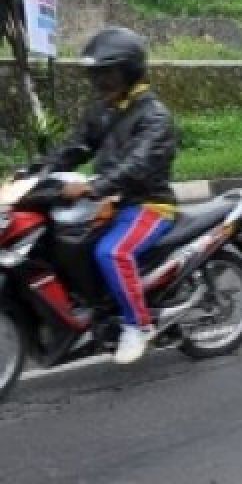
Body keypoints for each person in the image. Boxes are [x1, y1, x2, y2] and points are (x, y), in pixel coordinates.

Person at [34, 26, 177, 365]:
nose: (101, 83)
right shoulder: (104, 110)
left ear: (129, 72)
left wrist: (92, 187)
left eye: (108, 74)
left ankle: (139, 326)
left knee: (112, 253)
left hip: (149, 204)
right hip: (110, 202)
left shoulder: (155, 116)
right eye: (97, 75)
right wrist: (36, 172)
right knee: (63, 243)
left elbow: (137, 165)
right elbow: (75, 147)